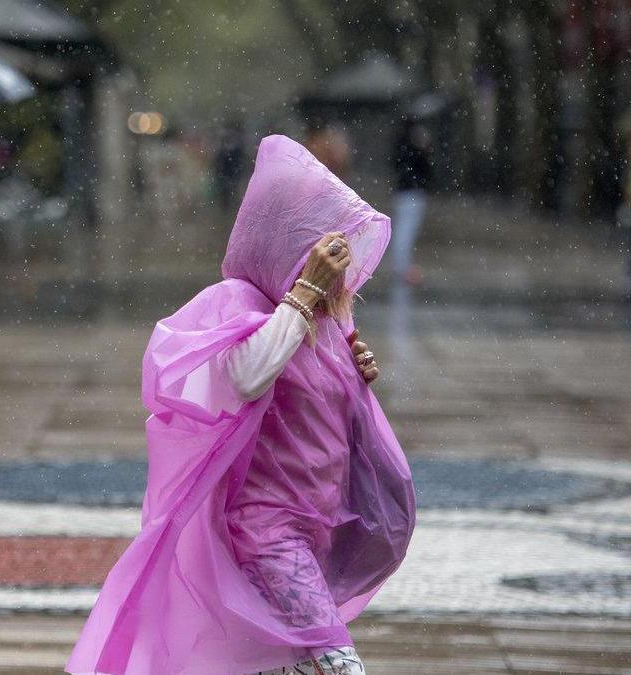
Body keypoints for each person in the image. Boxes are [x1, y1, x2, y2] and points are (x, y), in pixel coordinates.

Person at [67, 135, 415, 675]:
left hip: (317, 525)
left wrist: (353, 372)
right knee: (338, 666)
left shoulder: (321, 322)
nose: (335, 273)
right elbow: (248, 376)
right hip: (267, 532)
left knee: (287, 665)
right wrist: (301, 297)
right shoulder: (240, 303)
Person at [391, 118, 433, 284]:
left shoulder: (401, 142)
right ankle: (402, 267)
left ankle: (401, 265)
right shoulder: (414, 142)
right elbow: (423, 165)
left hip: (405, 190)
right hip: (412, 191)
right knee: (406, 231)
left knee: (403, 229)